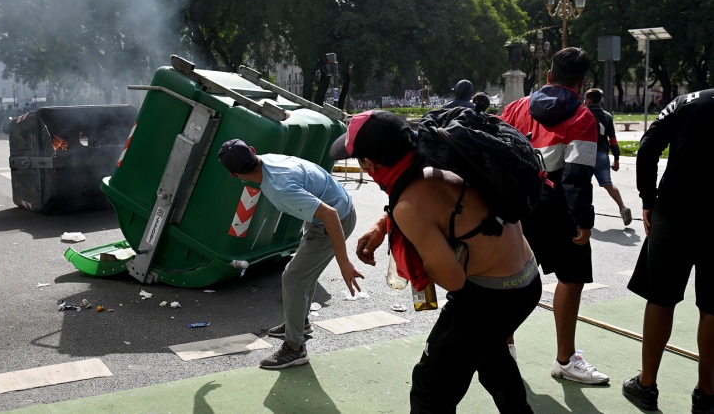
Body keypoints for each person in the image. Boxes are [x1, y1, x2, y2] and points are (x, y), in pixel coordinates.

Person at [330, 110, 540, 413]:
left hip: (491, 298)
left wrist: (414, 258)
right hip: (524, 279)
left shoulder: (409, 207)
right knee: (492, 358)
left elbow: (452, 279)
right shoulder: (437, 155)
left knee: (431, 390)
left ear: (370, 164)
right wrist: (384, 224)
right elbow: (431, 203)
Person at [500, 47, 608, 384]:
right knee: (571, 278)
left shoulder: (515, 108)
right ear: (582, 81)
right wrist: (583, 220)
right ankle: (564, 359)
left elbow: (498, 154)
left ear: (549, 76)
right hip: (557, 206)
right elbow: (576, 175)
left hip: (516, 205)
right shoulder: (582, 116)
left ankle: (504, 348)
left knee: (509, 277)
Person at [217, 139, 360, 370]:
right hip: (333, 207)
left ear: (234, 175)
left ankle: (295, 348)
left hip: (334, 220)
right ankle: (299, 322)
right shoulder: (271, 159)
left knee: (293, 278)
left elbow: (330, 215)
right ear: (253, 151)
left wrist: (344, 263)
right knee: (304, 273)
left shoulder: (279, 190)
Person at [621, 89, 714, 413]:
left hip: (675, 209)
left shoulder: (689, 101)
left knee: (661, 297)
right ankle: (707, 393)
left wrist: (648, 199)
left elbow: (647, 148)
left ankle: (646, 385)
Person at [584, 88, 632, 226]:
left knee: (583, 184)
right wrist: (616, 159)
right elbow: (613, 139)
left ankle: (585, 213)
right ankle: (622, 207)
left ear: (589, 100)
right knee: (608, 184)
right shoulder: (607, 116)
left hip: (586, 154)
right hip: (602, 155)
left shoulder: (584, 114)